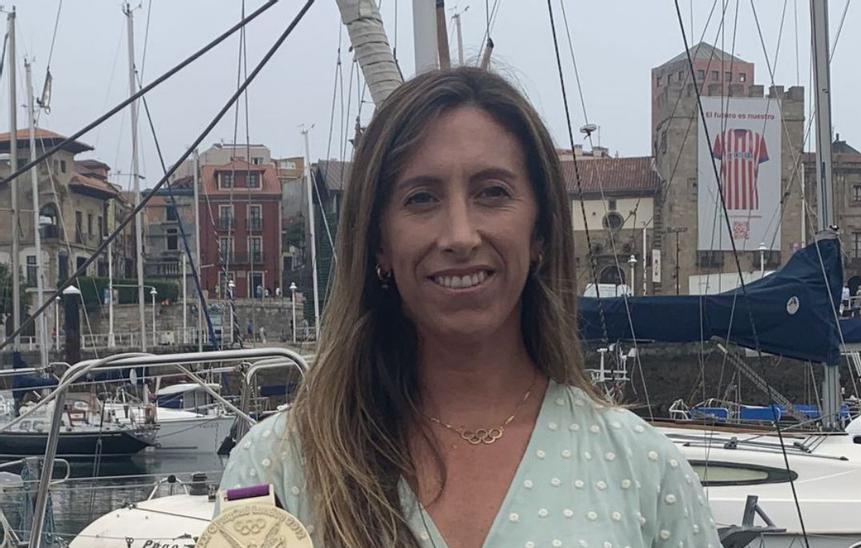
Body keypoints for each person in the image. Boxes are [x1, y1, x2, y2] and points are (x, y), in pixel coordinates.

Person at [220, 68, 720, 548]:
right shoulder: (276, 466)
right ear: (380, 244)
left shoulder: (645, 472)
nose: (460, 235)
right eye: (421, 199)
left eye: (492, 193)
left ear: (540, 232)